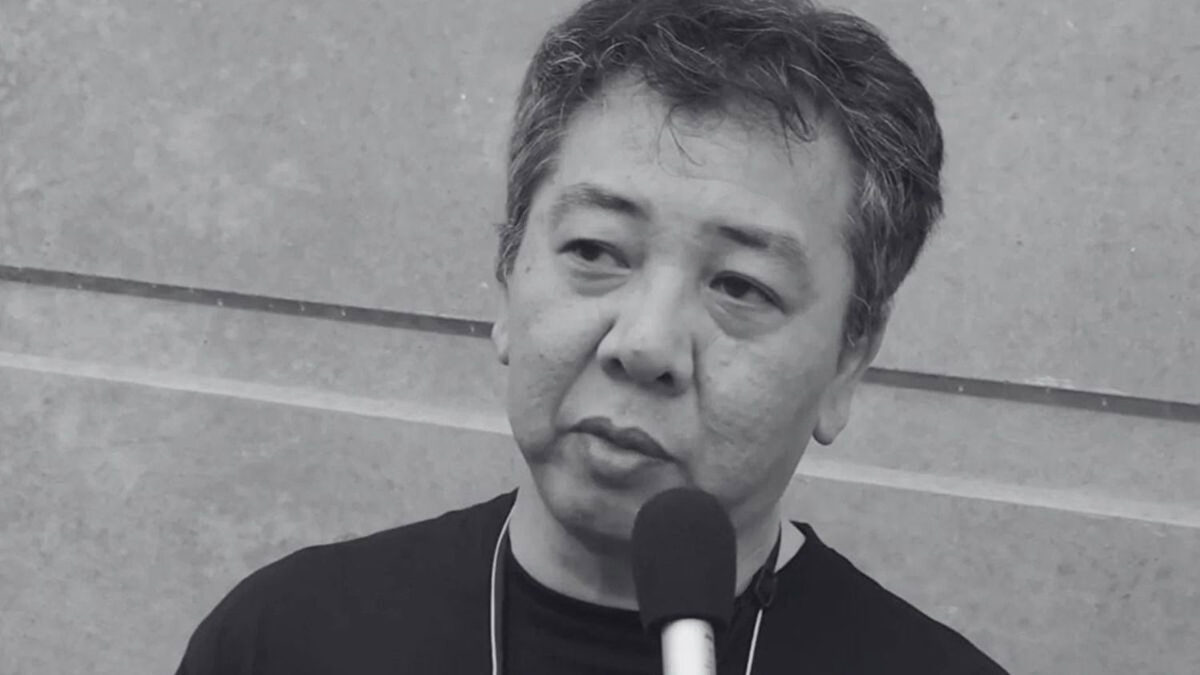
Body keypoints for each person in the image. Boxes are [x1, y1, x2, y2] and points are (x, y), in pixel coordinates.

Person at [176, 0, 1008, 672]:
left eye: (740, 286)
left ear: (849, 358)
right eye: (596, 251)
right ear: (509, 272)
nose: (643, 344)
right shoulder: (282, 640)